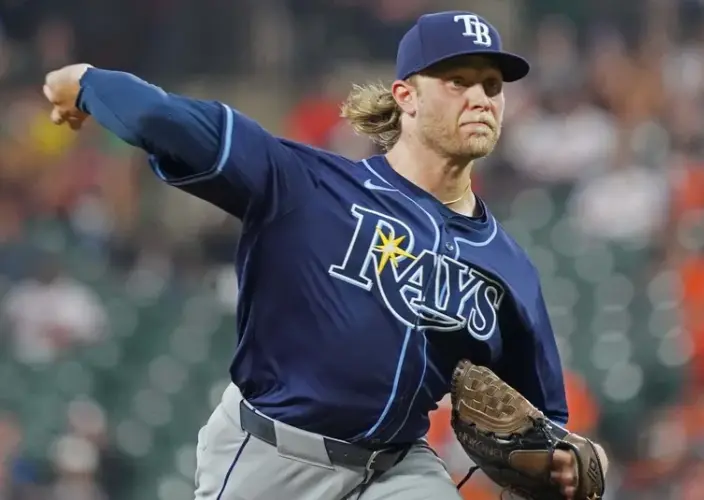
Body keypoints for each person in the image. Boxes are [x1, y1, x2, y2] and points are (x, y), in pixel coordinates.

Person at [42, 10, 606, 500]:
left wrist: (577, 461)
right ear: (405, 96)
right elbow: (161, 120)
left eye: (492, 85)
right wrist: (86, 81)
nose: (481, 98)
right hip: (273, 456)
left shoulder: (508, 266)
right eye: (457, 81)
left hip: (395, 469)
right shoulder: (307, 185)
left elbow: (549, 430)